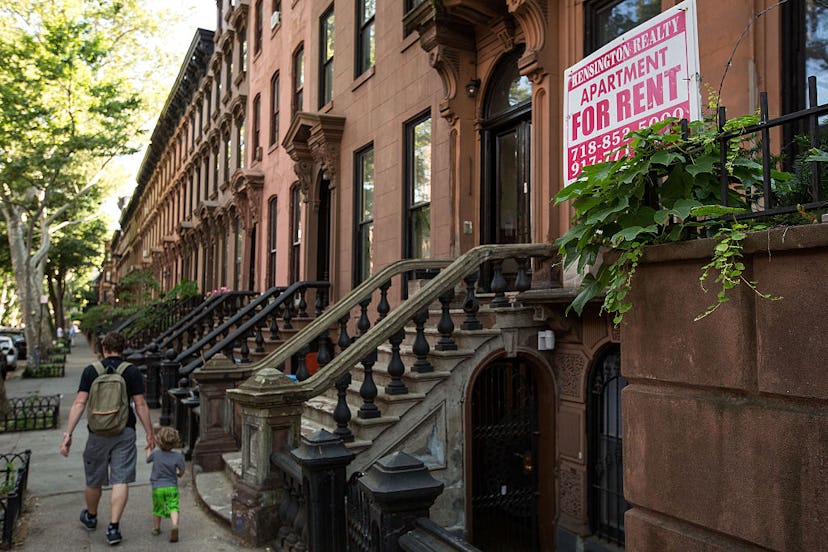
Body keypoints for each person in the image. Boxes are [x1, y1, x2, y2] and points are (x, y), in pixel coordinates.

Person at [60, 331, 155, 546]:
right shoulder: (130, 372)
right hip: (125, 430)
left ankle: (92, 517)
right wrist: (149, 432)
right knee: (120, 479)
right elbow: (140, 404)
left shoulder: (90, 371)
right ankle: (113, 528)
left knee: (94, 479)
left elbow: (79, 403)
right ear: (124, 349)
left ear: (104, 349)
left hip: (97, 433)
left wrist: (68, 434)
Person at [146, 426, 186, 543]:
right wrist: (179, 475)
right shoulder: (178, 456)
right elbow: (182, 470)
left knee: (157, 508)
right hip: (172, 487)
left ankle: (156, 528)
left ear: (159, 441)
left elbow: (147, 459)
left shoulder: (155, 454)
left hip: (157, 487)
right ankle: (174, 525)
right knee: (173, 506)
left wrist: (148, 448)